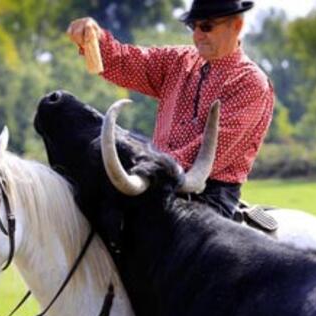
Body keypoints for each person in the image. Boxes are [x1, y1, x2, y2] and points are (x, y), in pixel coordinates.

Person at [66, 0, 274, 221]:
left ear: (237, 26)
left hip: (208, 193)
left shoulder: (250, 83)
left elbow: (208, 154)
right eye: (193, 27)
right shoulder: (179, 61)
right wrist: (94, 39)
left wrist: (146, 165)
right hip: (155, 179)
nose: (198, 35)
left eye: (206, 27)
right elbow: (128, 63)